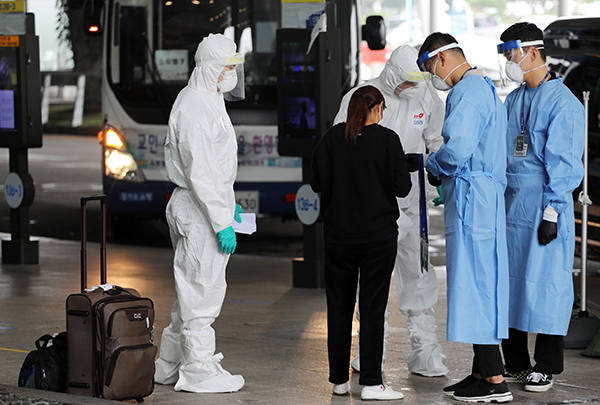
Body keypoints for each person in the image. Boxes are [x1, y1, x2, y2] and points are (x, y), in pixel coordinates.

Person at [333, 45, 448, 377]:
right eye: (405, 81)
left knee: (419, 271)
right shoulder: (361, 95)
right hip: (370, 201)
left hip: (412, 198)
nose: (409, 88)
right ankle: (369, 350)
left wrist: (440, 177)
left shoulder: (424, 94)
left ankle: (425, 349)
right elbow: (338, 143)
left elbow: (436, 140)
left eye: (416, 82)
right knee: (370, 276)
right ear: (391, 72)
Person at [417, 33, 512, 403]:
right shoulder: (478, 87)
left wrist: (432, 164)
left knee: (477, 286)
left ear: (441, 59)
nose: (432, 77)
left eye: (429, 68)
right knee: (477, 284)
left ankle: (494, 378)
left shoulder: (469, 92)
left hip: (475, 202)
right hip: (476, 199)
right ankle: (479, 373)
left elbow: (456, 150)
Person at [154, 33, 246, 393]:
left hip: (200, 204)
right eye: (227, 68)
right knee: (202, 289)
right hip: (198, 209)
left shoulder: (208, 98)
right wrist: (222, 217)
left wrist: (227, 201)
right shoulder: (195, 105)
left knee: (189, 289)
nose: (232, 74)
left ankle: (167, 364)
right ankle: (198, 370)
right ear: (211, 69)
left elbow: (213, 167)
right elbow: (200, 171)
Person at [497, 22, 585, 393]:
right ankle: (516, 361)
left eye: (511, 54)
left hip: (546, 202)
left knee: (547, 281)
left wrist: (552, 212)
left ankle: (547, 364)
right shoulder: (515, 99)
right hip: (513, 201)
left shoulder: (562, 102)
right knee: (512, 282)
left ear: (532, 52)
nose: (507, 61)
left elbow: (563, 162)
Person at [311, 85, 412, 401]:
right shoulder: (388, 140)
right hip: (378, 238)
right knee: (372, 308)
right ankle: (371, 382)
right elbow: (402, 188)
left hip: (338, 238)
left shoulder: (331, 139)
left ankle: (339, 381)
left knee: (338, 308)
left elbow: (316, 183)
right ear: (378, 108)